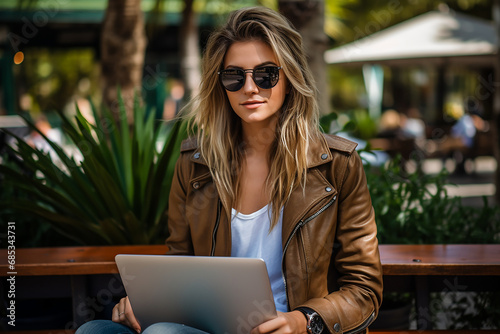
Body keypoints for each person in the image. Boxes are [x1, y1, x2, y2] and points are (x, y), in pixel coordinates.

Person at [76, 6, 382, 334]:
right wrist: (144, 300)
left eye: (266, 74)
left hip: (289, 331)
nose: (250, 88)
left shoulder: (336, 164)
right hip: (208, 327)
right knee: (94, 331)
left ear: (290, 78)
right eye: (235, 76)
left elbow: (364, 290)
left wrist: (302, 320)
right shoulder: (195, 165)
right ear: (221, 84)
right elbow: (179, 263)